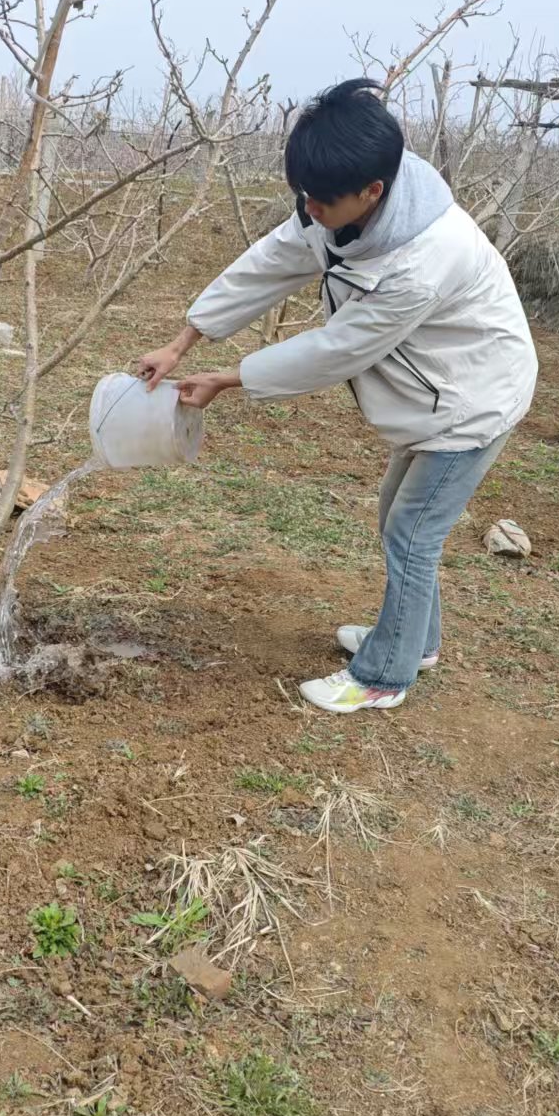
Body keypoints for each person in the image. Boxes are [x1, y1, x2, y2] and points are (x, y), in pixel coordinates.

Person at [137, 78, 536, 715]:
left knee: (411, 531)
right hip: (435, 389)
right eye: (305, 195)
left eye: (322, 200)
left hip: (472, 400)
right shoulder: (336, 202)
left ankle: (383, 675)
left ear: (372, 191)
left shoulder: (424, 260)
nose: (310, 210)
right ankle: (416, 640)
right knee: (398, 519)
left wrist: (227, 378)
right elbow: (268, 263)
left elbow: (337, 349)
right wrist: (183, 342)